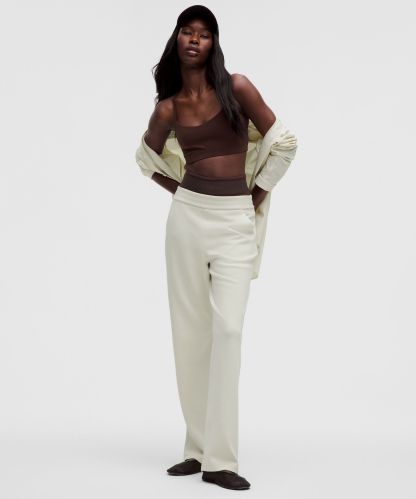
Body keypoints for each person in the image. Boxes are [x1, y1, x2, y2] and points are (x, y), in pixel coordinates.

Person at [138, 5, 298, 491]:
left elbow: (284, 142)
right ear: (177, 39)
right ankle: (197, 448)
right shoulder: (168, 108)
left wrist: (254, 196)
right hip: (187, 222)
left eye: (204, 34)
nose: (195, 39)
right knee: (190, 334)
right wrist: (183, 191)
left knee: (227, 331)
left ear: (214, 43)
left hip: (233, 222)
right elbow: (145, 159)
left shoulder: (238, 87)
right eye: (187, 32)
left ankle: (221, 460)